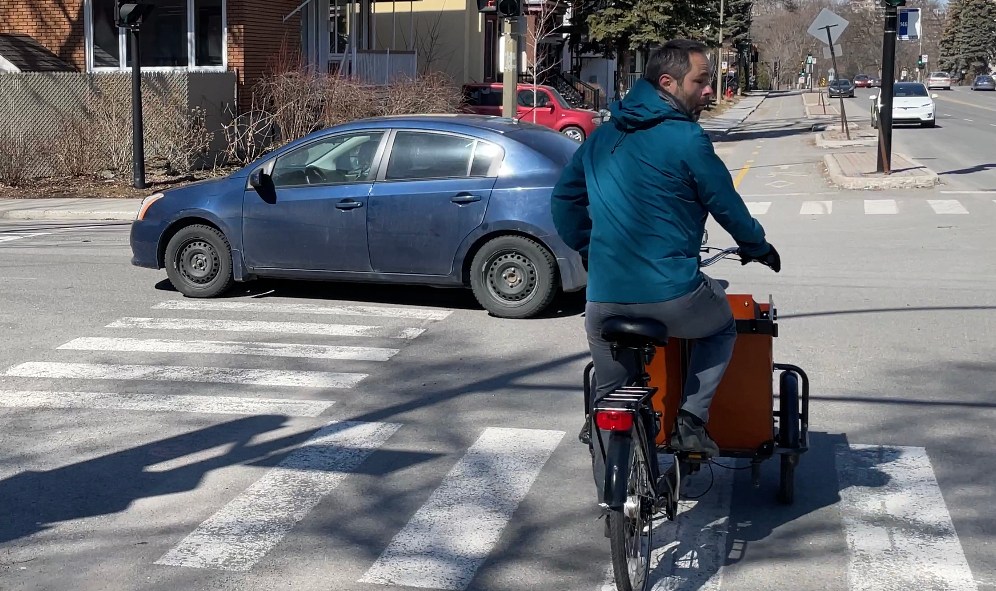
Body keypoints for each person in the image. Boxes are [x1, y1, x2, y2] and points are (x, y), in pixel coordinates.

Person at [550, 39, 781, 463]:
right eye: (702, 81)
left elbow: (564, 203)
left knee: (609, 396)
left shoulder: (601, 138)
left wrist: (590, 249)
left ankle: (613, 497)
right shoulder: (686, 138)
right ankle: (691, 421)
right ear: (669, 82)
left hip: (603, 299)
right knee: (721, 328)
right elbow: (725, 202)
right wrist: (756, 245)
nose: (709, 90)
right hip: (673, 295)